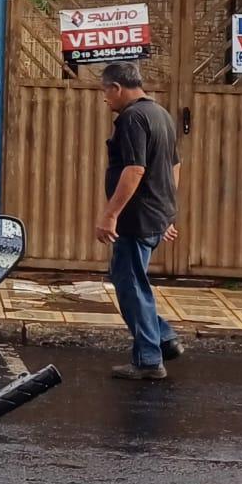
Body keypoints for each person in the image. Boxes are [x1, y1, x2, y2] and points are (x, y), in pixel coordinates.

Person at [96, 61, 182, 381]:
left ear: (117, 88)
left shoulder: (132, 118)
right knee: (129, 279)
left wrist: (110, 214)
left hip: (135, 217)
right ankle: (162, 337)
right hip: (153, 215)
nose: (105, 99)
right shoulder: (160, 114)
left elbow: (135, 170)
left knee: (130, 284)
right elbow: (173, 167)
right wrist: (166, 213)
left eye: (106, 91)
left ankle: (149, 358)